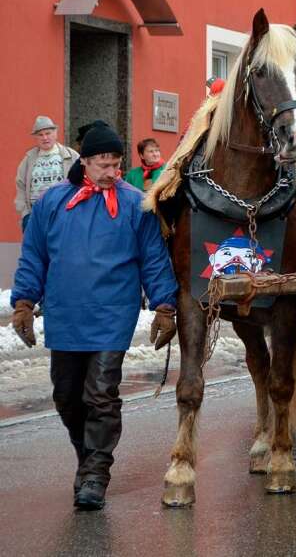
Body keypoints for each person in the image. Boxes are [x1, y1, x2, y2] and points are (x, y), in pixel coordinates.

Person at [10, 124, 178, 510]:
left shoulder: (136, 204)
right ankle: (87, 458)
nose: (110, 172)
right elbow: (34, 255)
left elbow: (153, 258)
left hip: (112, 315)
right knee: (67, 396)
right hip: (65, 315)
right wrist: (23, 303)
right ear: (83, 161)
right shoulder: (53, 202)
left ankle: (96, 474)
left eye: (116, 164)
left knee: (101, 394)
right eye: (102, 164)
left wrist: (164, 306)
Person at [16, 116, 79, 232]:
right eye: (40, 135)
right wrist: (25, 213)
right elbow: (20, 185)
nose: (45, 138)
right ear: (35, 137)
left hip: (63, 214)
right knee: (36, 249)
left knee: (62, 249)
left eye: (48, 133)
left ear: (55, 133)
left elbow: (82, 182)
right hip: (35, 215)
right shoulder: (28, 159)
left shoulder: (71, 156)